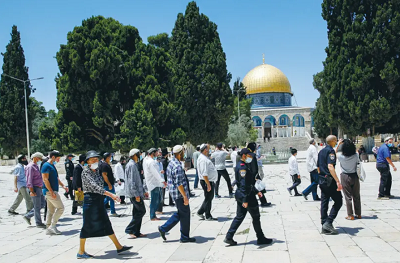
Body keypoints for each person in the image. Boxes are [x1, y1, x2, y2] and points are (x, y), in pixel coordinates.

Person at [77, 150, 132, 259]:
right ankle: (81, 251)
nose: (95, 161)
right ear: (88, 161)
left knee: (106, 223)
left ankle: (119, 247)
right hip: (90, 201)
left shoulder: (96, 171)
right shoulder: (85, 172)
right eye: (93, 159)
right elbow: (94, 187)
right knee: (87, 225)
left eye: (97, 159)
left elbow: (100, 185)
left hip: (98, 200)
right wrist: (111, 195)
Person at [224, 148, 273, 246]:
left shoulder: (243, 165)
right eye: (249, 156)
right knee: (256, 216)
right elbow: (244, 185)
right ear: (243, 156)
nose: (250, 157)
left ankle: (229, 236)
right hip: (247, 196)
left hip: (242, 194)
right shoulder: (243, 167)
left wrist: (257, 191)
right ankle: (260, 238)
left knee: (239, 216)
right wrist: (245, 200)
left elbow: (249, 182)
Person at [158, 145, 196, 243]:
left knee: (181, 213)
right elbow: (179, 184)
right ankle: (183, 237)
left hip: (174, 193)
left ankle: (164, 229)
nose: (184, 154)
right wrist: (185, 197)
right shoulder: (177, 166)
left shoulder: (172, 163)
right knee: (185, 214)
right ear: (179, 154)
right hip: (179, 195)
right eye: (183, 152)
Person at [317, 135, 343, 235]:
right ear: (332, 141)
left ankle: (324, 224)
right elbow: (330, 166)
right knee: (338, 201)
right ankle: (328, 222)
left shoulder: (321, 151)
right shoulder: (330, 151)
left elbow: (318, 167)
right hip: (329, 180)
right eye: (336, 140)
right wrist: (337, 181)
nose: (336, 141)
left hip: (322, 179)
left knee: (324, 201)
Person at [42, 150, 68, 235]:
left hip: (52, 190)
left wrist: (63, 186)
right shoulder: (46, 166)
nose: (58, 160)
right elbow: (45, 179)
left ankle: (48, 227)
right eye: (57, 158)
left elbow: (56, 178)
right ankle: (53, 226)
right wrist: (51, 191)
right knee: (61, 208)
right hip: (50, 191)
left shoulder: (52, 165)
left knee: (51, 210)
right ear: (53, 157)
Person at [125, 148, 148, 238]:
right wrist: (136, 194)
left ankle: (136, 231)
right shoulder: (131, 165)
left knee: (136, 212)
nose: (140, 155)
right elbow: (132, 182)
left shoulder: (134, 164)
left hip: (137, 192)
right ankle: (130, 229)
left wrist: (143, 191)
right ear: (135, 155)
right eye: (139, 154)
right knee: (142, 211)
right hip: (135, 194)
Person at [337, 139, 361, 220]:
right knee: (356, 195)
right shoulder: (356, 155)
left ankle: (350, 215)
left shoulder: (340, 156)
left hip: (345, 176)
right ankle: (358, 213)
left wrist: (339, 143)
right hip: (354, 175)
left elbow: (334, 152)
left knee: (348, 196)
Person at [22, 152, 46, 228]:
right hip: (34, 188)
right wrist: (31, 191)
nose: (41, 160)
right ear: (36, 158)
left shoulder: (36, 166)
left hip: (39, 188)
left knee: (42, 204)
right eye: (40, 159)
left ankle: (28, 216)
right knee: (37, 206)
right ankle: (38, 223)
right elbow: (29, 180)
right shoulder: (30, 167)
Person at [196, 143, 218, 221]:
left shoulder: (205, 157)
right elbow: (204, 173)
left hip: (208, 181)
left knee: (209, 198)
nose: (209, 150)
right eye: (208, 149)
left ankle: (204, 213)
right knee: (208, 198)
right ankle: (204, 214)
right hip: (206, 181)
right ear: (205, 149)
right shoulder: (203, 159)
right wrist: (208, 184)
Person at [143, 148, 166, 221]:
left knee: (156, 199)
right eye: (156, 153)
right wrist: (162, 181)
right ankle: (152, 216)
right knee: (155, 200)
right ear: (153, 153)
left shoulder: (145, 160)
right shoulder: (151, 162)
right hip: (154, 183)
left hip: (152, 182)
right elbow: (155, 173)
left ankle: (153, 213)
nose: (157, 154)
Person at [247, 143, 271, 207]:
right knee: (259, 188)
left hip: (249, 174)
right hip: (254, 175)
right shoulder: (253, 156)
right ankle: (263, 202)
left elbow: (248, 165)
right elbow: (254, 167)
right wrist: (256, 176)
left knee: (254, 189)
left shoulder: (247, 155)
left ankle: (262, 201)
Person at [100, 152, 120, 217]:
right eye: (110, 157)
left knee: (111, 198)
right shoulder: (104, 165)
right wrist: (109, 184)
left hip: (109, 184)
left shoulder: (107, 164)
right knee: (109, 198)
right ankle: (98, 209)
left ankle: (113, 211)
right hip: (107, 185)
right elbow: (104, 175)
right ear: (107, 157)